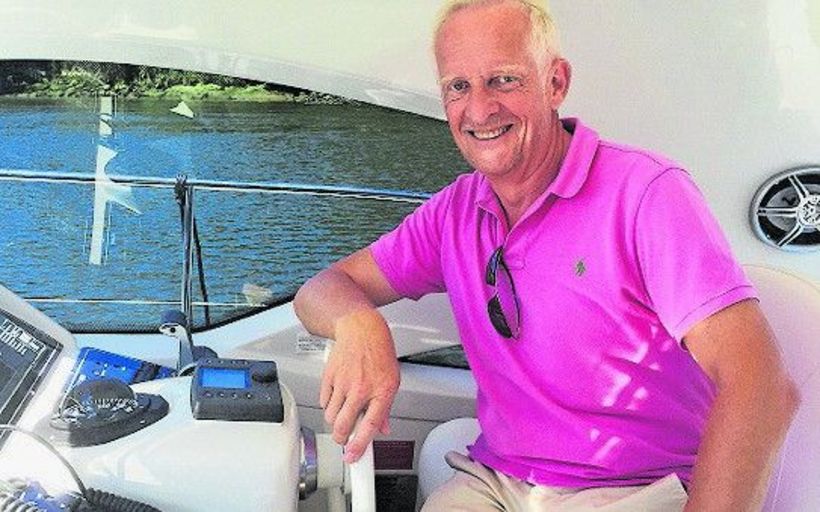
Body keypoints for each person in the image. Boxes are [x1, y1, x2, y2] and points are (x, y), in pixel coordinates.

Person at [294, 0, 800, 510]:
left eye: (503, 80)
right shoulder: (455, 212)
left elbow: (762, 385)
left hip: (635, 487)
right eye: (458, 86)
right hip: (500, 479)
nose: (479, 109)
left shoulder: (646, 194)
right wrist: (358, 323)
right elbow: (321, 290)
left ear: (555, 83)